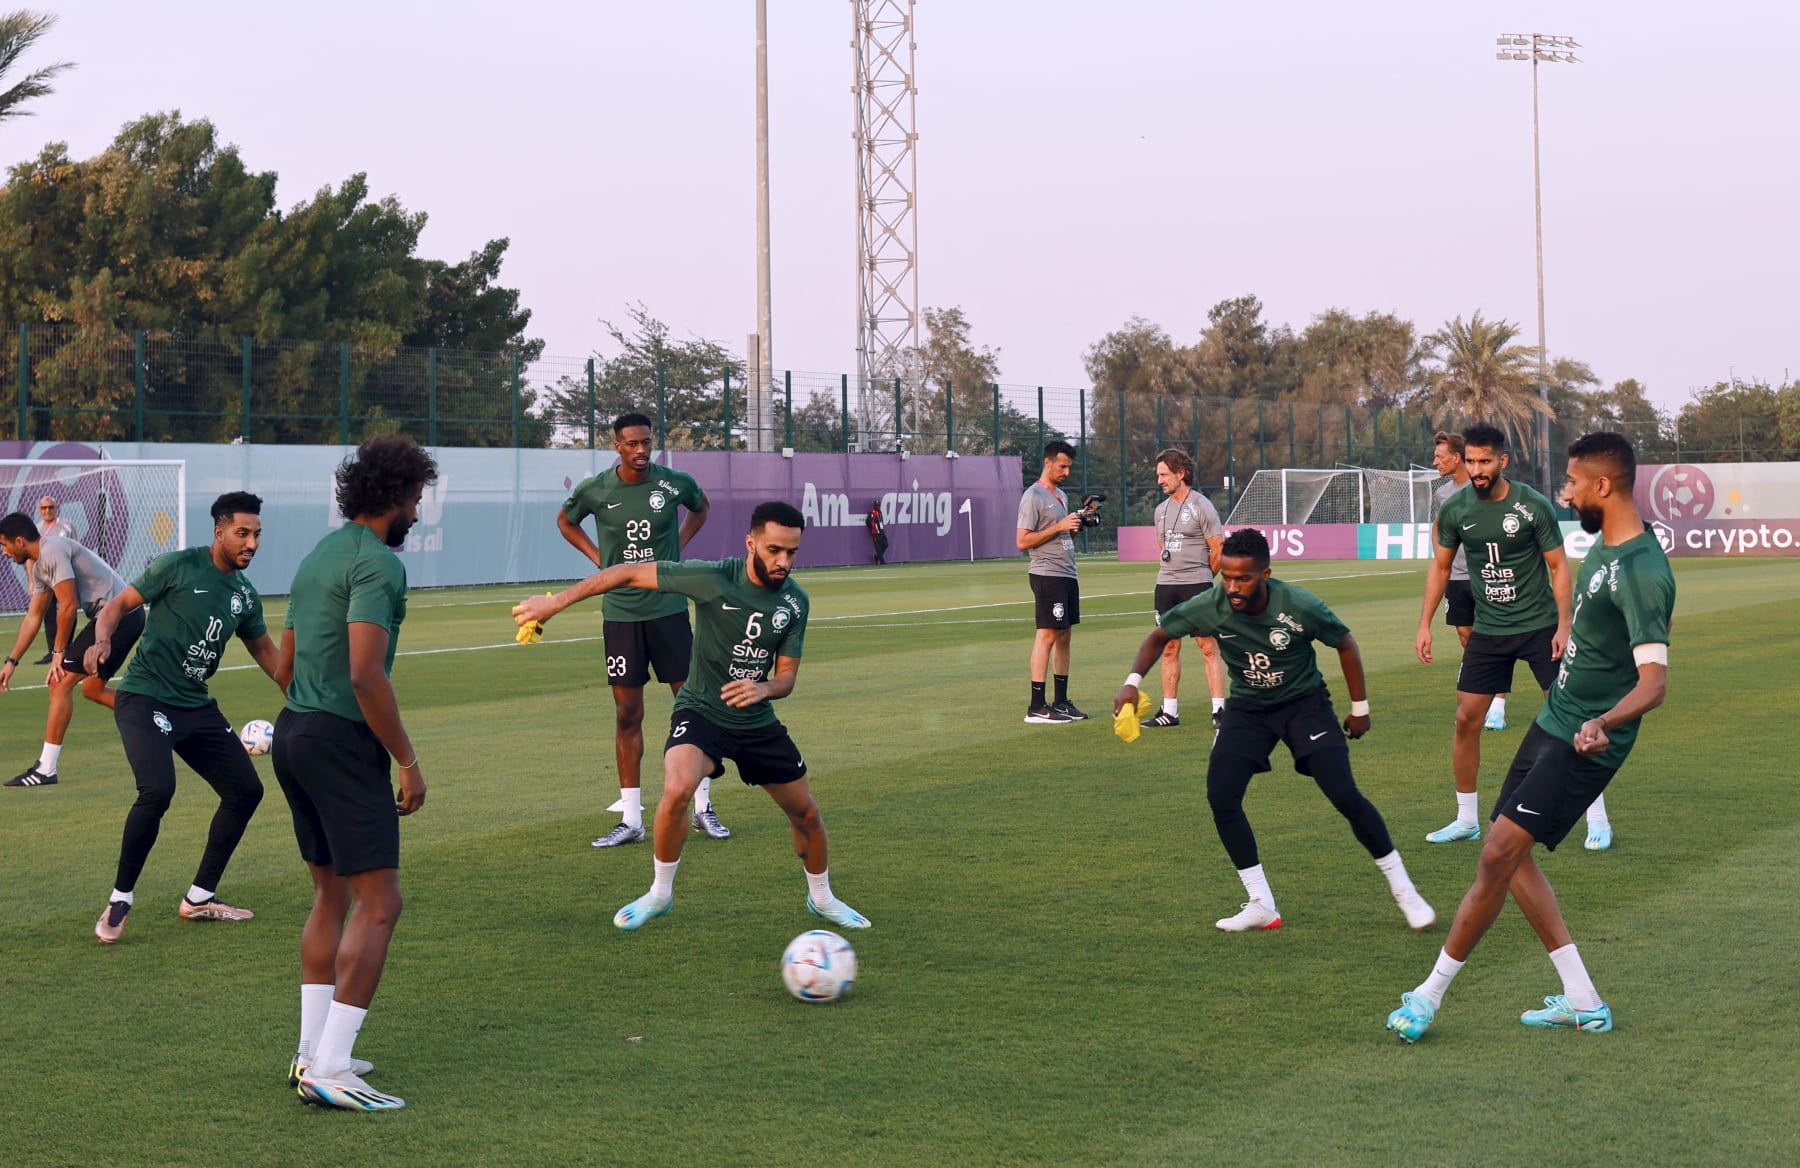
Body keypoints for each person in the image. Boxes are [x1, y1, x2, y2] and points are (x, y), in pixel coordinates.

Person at [1387, 432, 1673, 1044]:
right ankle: (1582, 999)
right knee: (1506, 854)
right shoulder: (1609, 545)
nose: (1565, 493)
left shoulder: (1644, 571)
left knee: (1497, 855)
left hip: (1585, 739)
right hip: (1554, 721)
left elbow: (1654, 684)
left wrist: (1602, 723)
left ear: (1602, 486)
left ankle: (1427, 996)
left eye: (1572, 482)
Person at [515, 500, 870, 934]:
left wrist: (764, 687)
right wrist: (556, 604)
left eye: (792, 552)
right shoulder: (712, 577)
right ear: (751, 543)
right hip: (701, 712)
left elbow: (787, 677)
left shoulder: (795, 603)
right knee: (679, 788)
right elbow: (626, 572)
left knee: (807, 816)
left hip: (757, 723)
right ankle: (659, 894)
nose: (783, 561)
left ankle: (822, 898)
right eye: (775, 550)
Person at [1114, 528, 1435, 933]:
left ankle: (1404, 889)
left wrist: (1360, 709)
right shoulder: (1210, 605)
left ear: (1265, 573)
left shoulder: (1298, 605)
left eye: (1243, 578)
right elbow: (1160, 635)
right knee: (1221, 793)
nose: (1232, 586)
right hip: (1249, 708)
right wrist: (1131, 681)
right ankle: (1261, 902)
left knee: (1343, 793)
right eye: (1226, 577)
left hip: (1305, 705)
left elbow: (1345, 643)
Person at [276, 435, 437, 1112]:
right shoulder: (377, 565)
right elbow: (365, 672)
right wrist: (407, 758)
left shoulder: (319, 555)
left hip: (292, 732)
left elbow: (284, 669)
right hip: (342, 742)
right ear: (396, 497)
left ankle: (312, 1053)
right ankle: (332, 1067)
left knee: (331, 894)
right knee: (380, 902)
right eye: (416, 500)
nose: (419, 514)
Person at [86, 493, 286, 943]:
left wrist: (306, 698)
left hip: (195, 705)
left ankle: (199, 899)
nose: (251, 543)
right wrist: (102, 640)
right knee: (157, 789)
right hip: (145, 697)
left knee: (246, 790)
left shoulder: (244, 596)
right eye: (242, 533)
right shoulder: (176, 565)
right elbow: (117, 605)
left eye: (256, 535)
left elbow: (270, 657)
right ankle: (121, 898)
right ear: (219, 533)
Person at [1414, 424, 1595, 849]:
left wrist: (1565, 625)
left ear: (1503, 461)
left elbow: (1559, 567)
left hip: (1539, 627)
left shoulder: (1531, 505)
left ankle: (1596, 819)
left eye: (1485, 461)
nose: (1477, 469)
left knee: (1571, 717)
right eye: (1472, 461)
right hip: (1489, 629)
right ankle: (1465, 819)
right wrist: (1423, 622)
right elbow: (1441, 568)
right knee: (1465, 720)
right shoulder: (1456, 509)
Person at [558, 412, 724, 848]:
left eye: (647, 442)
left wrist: (676, 555)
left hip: (668, 610)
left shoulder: (673, 482)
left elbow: (701, 507)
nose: (641, 450)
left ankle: (704, 809)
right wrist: (601, 563)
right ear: (617, 446)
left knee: (692, 708)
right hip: (621, 616)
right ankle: (631, 818)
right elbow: (565, 521)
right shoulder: (597, 489)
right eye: (632, 444)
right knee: (627, 714)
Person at [1, 513, 145, 787]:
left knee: (59, 683)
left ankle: (45, 769)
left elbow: (67, 607)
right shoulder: (38, 562)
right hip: (118, 617)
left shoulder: (52, 551)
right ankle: (155, 716)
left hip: (119, 616)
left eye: (4, 545)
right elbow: (34, 617)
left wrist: (58, 654)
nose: (4, 552)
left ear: (19, 541)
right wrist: (11, 661)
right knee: (92, 689)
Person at [1140, 448, 1227, 732]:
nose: (1160, 481)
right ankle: (1170, 711)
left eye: (1164, 475)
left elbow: (1218, 550)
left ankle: (1219, 710)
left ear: (1181, 473)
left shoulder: (1202, 506)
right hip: (1166, 586)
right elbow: (1162, 549)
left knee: (1206, 646)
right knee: (1168, 648)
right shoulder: (1160, 511)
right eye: (1158, 475)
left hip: (1197, 584)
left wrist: (1203, 579)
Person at [1430, 434, 1509, 732]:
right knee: (1466, 634)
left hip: (1488, 574)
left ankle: (1496, 707)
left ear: (1457, 457)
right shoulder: (1443, 494)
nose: (1435, 461)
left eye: (1440, 456)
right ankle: (1480, 691)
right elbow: (1439, 527)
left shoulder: (1486, 487)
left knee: (1494, 638)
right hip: (1457, 575)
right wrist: (1440, 557)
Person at [1017, 440, 1092, 724]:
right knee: (1047, 634)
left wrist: (1077, 525)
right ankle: (1037, 706)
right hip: (1047, 573)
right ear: (1048, 463)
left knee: (1064, 635)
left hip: (1066, 572)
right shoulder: (1033, 496)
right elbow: (1022, 541)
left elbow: (1060, 536)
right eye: (1062, 466)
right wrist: (1060, 526)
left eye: (1070, 467)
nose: (1066, 472)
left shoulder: (1059, 494)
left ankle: (1060, 702)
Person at [33, 496, 75, 664]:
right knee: (48, 614)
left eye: (51, 507)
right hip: (46, 579)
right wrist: (31, 581)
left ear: (57, 508)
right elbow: (32, 558)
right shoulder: (36, 530)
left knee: (68, 608)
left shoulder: (67, 527)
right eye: (44, 508)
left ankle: (68, 649)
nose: (47, 511)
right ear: (39, 510)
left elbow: (76, 549)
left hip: (65, 577)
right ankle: (52, 650)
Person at [867, 501, 889, 565]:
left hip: (882, 532)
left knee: (886, 544)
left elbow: (881, 522)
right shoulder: (872, 513)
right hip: (876, 533)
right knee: (878, 547)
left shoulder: (880, 512)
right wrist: (873, 528)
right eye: (876, 505)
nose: (877, 507)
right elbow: (868, 522)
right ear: (874, 506)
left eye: (878, 505)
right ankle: (882, 562)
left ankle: (876, 557)